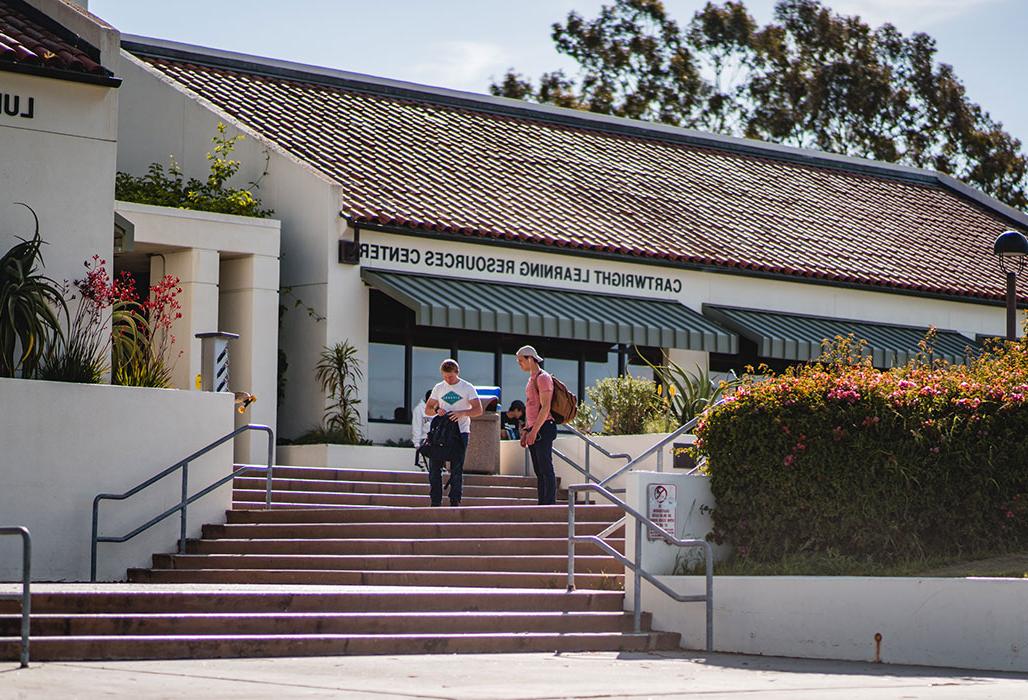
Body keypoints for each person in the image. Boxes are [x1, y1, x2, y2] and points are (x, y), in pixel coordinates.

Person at [424, 359, 483, 506]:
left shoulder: (467, 387)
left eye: (450, 377)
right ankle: (435, 501)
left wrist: (462, 413)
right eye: (445, 376)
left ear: (457, 373)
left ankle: (455, 500)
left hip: (460, 431)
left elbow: (478, 409)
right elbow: (428, 409)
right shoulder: (439, 387)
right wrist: (437, 410)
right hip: (441, 432)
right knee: (434, 466)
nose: (448, 380)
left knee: (457, 466)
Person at [517, 345, 557, 505]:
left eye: (521, 360)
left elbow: (545, 407)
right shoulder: (530, 380)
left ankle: (549, 504)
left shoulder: (543, 378)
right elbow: (531, 407)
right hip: (534, 428)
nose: (519, 364)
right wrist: (527, 430)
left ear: (530, 358)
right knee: (539, 470)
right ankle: (542, 503)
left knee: (546, 467)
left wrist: (534, 431)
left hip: (544, 427)